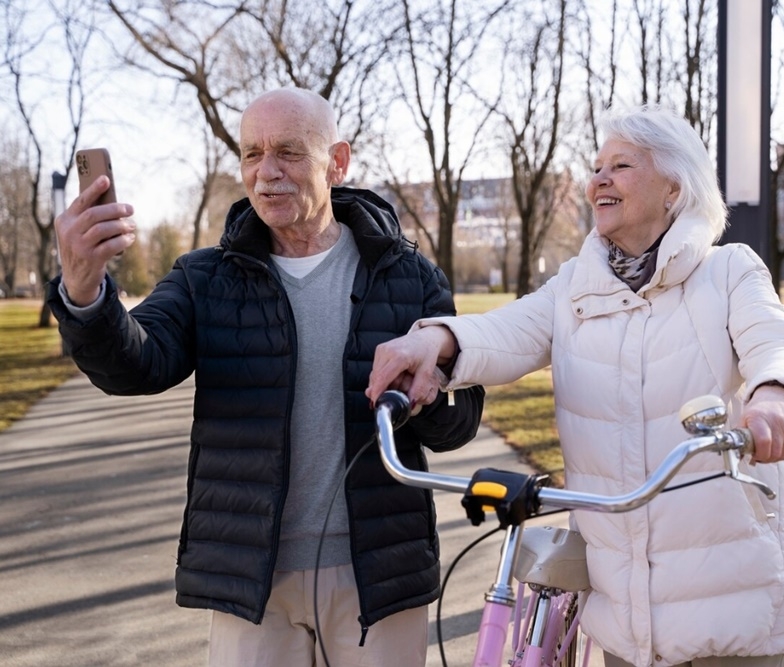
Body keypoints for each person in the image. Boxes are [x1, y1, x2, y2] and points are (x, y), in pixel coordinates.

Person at [366, 104, 784, 667]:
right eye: (597, 167)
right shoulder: (576, 287)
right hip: (623, 606)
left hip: (729, 600)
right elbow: (508, 330)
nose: (599, 180)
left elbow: (779, 344)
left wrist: (776, 396)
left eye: (622, 166)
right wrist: (432, 342)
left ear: (674, 189)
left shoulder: (728, 273)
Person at [46, 87, 485, 667]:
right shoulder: (205, 277)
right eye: (251, 154)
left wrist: (428, 398)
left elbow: (460, 421)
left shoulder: (407, 275)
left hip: (379, 577)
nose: (266, 173)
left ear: (338, 162)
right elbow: (135, 365)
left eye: (287, 152)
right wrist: (83, 293)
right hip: (250, 581)